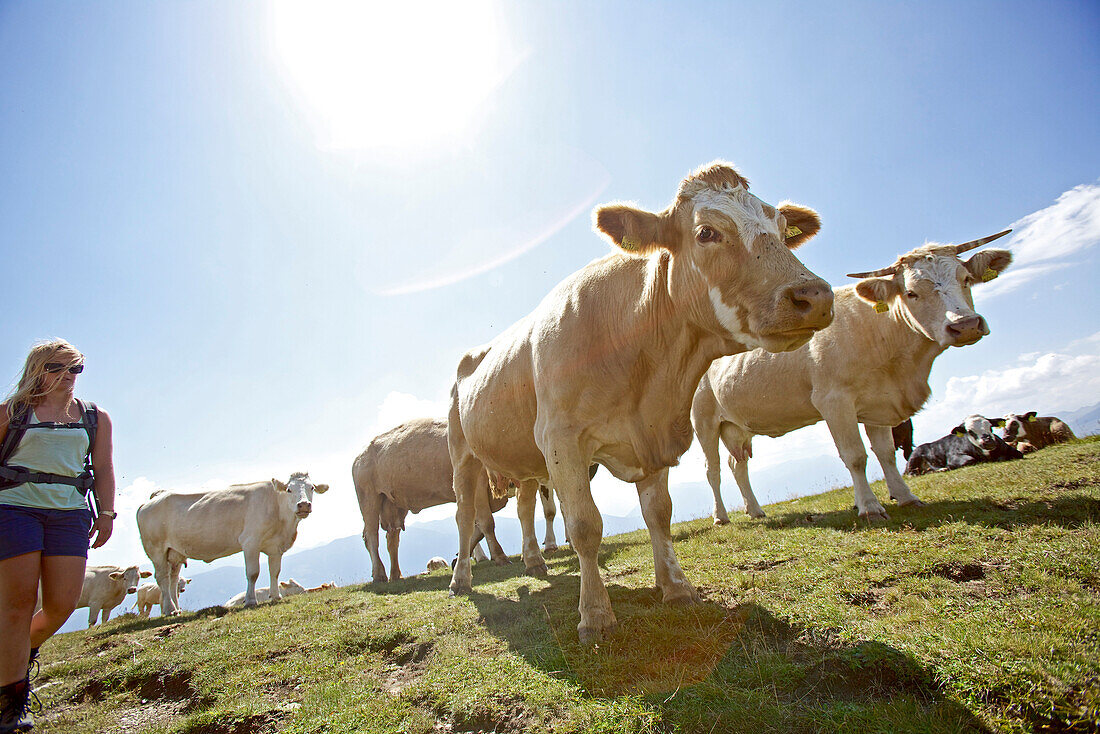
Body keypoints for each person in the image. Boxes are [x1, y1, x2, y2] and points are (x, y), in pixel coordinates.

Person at [0, 340, 115, 732]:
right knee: (16, 607)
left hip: (69, 515)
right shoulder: (10, 412)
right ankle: (9, 705)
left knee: (62, 605)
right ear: (37, 369)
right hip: (14, 510)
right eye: (58, 368)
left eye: (75, 369)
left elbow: (103, 466)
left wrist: (108, 512)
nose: (68, 377)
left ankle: (15, 651)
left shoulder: (95, 416)